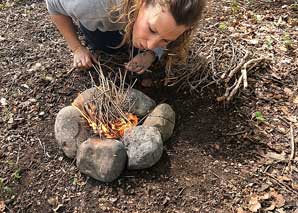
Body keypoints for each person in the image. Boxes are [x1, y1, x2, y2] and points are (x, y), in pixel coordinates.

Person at [46, 0, 206, 77]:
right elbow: (53, 6)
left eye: (166, 39)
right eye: (151, 29)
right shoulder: (91, 6)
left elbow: (164, 33)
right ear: (142, 3)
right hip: (102, 15)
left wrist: (152, 53)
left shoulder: (179, 14)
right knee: (106, 46)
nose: (150, 44)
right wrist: (77, 48)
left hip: (127, 15)